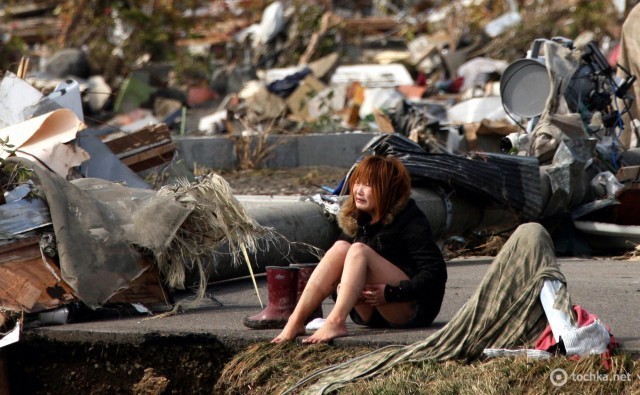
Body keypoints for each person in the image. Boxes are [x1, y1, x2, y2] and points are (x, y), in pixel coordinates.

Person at [272, 155, 447, 344]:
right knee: (341, 247)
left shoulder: (411, 220)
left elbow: (435, 273)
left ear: (388, 189)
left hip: (409, 309)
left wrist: (392, 292)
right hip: (369, 314)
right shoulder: (357, 219)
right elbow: (334, 275)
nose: (358, 191)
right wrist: (340, 289)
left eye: (368, 185)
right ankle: (296, 320)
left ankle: (335, 321)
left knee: (358, 250)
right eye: (357, 183)